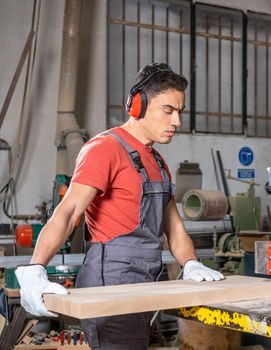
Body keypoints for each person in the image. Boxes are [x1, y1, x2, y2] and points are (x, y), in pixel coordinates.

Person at [15, 63, 224, 349]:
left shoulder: (158, 163)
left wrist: (191, 264)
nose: (177, 121)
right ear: (137, 105)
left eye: (180, 111)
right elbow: (68, 212)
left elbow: (174, 229)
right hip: (111, 282)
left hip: (148, 282)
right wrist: (35, 269)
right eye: (168, 110)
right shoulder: (105, 149)